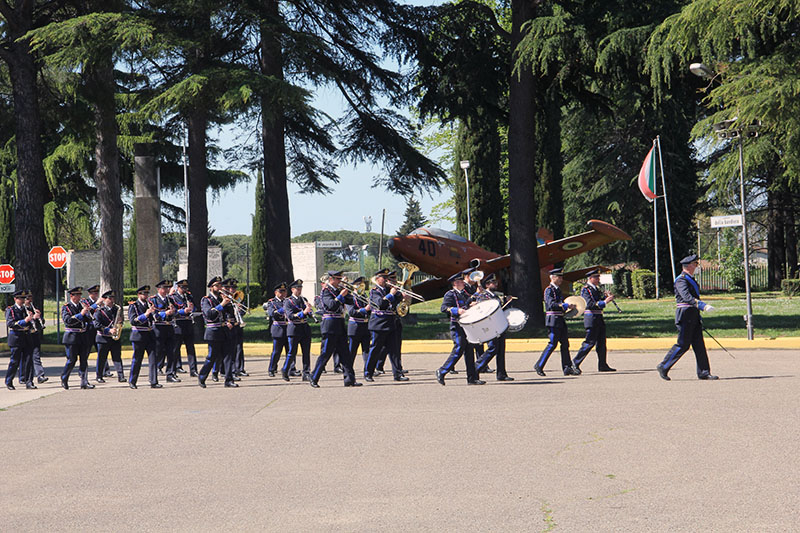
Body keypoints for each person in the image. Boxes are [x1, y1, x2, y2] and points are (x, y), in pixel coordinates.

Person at [657, 254, 719, 381]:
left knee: (699, 344)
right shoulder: (681, 280)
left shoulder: (690, 279)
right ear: (689, 266)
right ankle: (664, 365)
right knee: (683, 344)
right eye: (695, 264)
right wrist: (702, 305)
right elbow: (686, 297)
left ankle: (704, 372)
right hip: (685, 315)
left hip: (692, 314)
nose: (697, 266)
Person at [308, 270, 360, 388]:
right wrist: (341, 295)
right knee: (326, 353)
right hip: (330, 325)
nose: (340, 281)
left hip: (340, 324)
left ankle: (350, 379)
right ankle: (314, 377)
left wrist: (352, 293)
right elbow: (331, 305)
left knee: (345, 354)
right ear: (331, 279)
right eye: (338, 279)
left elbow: (350, 301)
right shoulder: (326, 291)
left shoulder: (338, 290)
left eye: (340, 279)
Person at [435, 272, 483, 385]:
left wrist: (474, 300)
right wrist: (457, 310)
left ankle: (472, 378)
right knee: (459, 348)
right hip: (456, 325)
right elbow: (444, 308)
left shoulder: (464, 293)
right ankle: (442, 371)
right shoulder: (450, 294)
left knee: (469, 351)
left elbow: (466, 304)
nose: (462, 283)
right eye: (460, 282)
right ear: (455, 284)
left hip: (467, 325)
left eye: (462, 281)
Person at [534, 268, 579, 377]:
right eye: (559, 277)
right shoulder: (549, 290)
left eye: (561, 277)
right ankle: (539, 365)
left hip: (560, 319)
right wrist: (565, 305)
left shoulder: (558, 289)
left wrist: (568, 307)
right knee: (552, 344)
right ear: (553, 277)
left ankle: (567, 367)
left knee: (565, 344)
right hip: (553, 320)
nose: (561, 279)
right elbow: (551, 304)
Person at [364, 269, 406, 382]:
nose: (386, 280)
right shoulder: (374, 291)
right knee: (375, 350)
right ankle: (368, 373)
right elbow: (381, 304)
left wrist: (401, 294)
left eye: (387, 278)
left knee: (394, 350)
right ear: (377, 279)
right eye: (384, 278)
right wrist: (391, 294)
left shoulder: (389, 289)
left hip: (390, 323)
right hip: (378, 324)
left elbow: (398, 301)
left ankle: (398, 374)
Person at [572, 270, 617, 373]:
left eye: (598, 277)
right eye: (596, 277)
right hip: (591, 318)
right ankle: (575, 362)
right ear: (590, 278)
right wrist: (605, 302)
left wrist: (606, 297)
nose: (598, 279)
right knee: (589, 342)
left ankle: (602, 364)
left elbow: (598, 300)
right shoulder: (586, 289)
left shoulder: (595, 289)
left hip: (598, 318)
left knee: (601, 343)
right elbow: (589, 304)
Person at [198, 276, 237, 387]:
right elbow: (209, 315)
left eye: (220, 285)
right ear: (211, 287)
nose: (220, 287)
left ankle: (229, 380)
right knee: (212, 357)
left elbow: (230, 314)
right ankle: (202, 377)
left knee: (228, 356)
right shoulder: (206, 300)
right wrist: (222, 304)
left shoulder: (222, 298)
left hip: (224, 331)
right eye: (217, 285)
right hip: (213, 331)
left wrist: (230, 319)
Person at [474, 273, 514, 381]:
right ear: (487, 285)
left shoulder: (495, 296)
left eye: (496, 282)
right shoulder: (483, 296)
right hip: (490, 326)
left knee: (500, 350)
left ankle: (501, 374)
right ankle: (476, 367)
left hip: (499, 325)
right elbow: (483, 311)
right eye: (493, 282)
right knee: (493, 348)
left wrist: (507, 302)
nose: (496, 284)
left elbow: (500, 309)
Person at [61, 286, 95, 389]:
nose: (79, 297)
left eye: (80, 295)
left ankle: (84, 381)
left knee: (84, 359)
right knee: (72, 360)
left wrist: (89, 312)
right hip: (71, 337)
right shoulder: (66, 307)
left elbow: (89, 319)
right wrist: (81, 314)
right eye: (77, 295)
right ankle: (64, 378)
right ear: (72, 296)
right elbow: (68, 321)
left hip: (83, 336)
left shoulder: (82, 306)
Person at [5, 289, 37, 390]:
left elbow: (32, 324)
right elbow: (10, 323)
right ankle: (9, 381)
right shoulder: (11, 309)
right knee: (15, 361)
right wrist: (25, 321)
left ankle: (29, 381)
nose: (23, 300)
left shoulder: (27, 309)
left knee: (28, 360)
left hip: (27, 337)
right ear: (15, 299)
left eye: (24, 298)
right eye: (20, 298)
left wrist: (34, 318)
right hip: (16, 337)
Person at [128, 285, 159, 389]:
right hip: (139, 335)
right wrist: (146, 314)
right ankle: (132, 381)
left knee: (153, 359)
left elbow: (155, 318)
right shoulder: (134, 306)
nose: (146, 295)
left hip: (150, 334)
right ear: (139, 294)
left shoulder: (149, 305)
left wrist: (156, 314)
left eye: (147, 293)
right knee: (137, 359)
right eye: (143, 293)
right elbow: (133, 321)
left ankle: (154, 381)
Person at [283, 279, 313, 381]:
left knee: (306, 352)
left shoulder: (303, 299)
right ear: (292, 289)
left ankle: (306, 373)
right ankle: (285, 369)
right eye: (297, 289)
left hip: (304, 328)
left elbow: (307, 314)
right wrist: (303, 313)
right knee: (292, 352)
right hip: (294, 329)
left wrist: (310, 311)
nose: (299, 290)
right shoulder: (288, 301)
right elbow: (291, 316)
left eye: (300, 288)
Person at [151, 280, 180, 383]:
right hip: (159, 328)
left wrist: (173, 311)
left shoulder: (170, 299)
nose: (167, 290)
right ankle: (156, 370)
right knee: (159, 351)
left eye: (168, 288)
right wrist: (165, 313)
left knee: (171, 352)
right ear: (159, 289)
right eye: (164, 288)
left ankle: (170, 373)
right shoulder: (153, 300)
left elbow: (176, 313)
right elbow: (154, 315)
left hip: (169, 327)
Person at [94, 290, 125, 383]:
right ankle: (99, 376)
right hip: (103, 338)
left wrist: (120, 322)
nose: (111, 300)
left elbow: (119, 321)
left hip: (114, 338)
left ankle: (121, 376)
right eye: (109, 298)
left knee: (117, 357)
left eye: (112, 298)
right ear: (104, 300)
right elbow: (97, 325)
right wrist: (108, 330)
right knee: (102, 358)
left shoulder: (116, 309)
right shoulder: (99, 311)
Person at [170, 279, 198, 376]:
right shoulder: (172, 297)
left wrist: (192, 308)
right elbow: (173, 311)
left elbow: (195, 308)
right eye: (183, 287)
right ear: (178, 287)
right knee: (175, 349)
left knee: (191, 348)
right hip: (178, 324)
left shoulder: (189, 296)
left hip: (188, 323)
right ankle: (173, 370)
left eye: (186, 287)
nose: (185, 289)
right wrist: (183, 311)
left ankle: (193, 370)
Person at [345, 276, 371, 370]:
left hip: (365, 325)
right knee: (352, 351)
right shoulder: (350, 297)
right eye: (359, 285)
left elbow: (369, 312)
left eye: (362, 284)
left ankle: (368, 370)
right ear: (354, 286)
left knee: (366, 350)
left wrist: (370, 308)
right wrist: (365, 309)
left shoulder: (364, 297)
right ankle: (348, 370)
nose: (361, 286)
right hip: (355, 326)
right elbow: (352, 312)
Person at [266, 282, 290, 377]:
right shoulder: (272, 302)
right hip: (278, 328)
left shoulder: (288, 301)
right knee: (276, 351)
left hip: (288, 328)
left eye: (285, 291)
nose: (283, 293)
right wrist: (282, 310)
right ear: (276, 292)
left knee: (290, 351)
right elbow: (272, 313)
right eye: (281, 291)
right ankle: (272, 369)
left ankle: (290, 369)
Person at [24, 292, 48, 384]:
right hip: (26, 335)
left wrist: (39, 317)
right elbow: (22, 322)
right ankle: (23, 377)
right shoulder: (22, 309)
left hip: (34, 334)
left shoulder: (33, 308)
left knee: (36, 355)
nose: (30, 300)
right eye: (27, 298)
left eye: (31, 298)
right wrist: (32, 318)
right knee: (25, 358)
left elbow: (41, 321)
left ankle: (40, 375)